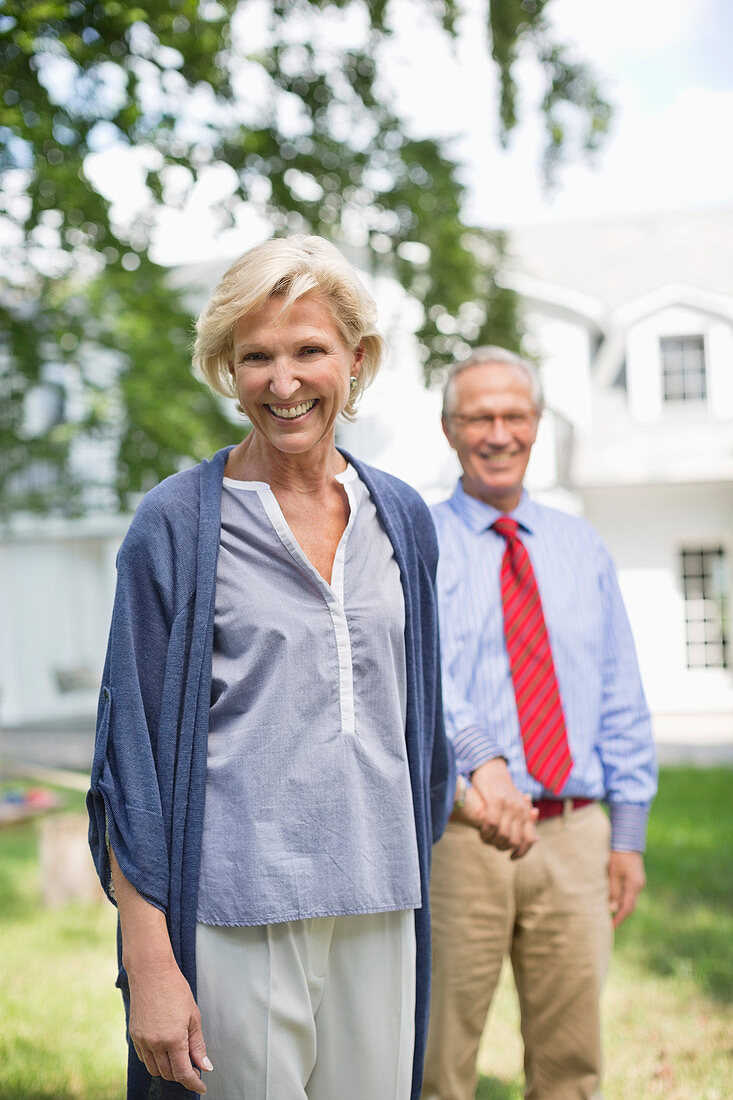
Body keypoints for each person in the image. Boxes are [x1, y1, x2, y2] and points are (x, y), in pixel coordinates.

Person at [87, 234, 493, 1100]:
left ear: (355, 358)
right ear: (225, 371)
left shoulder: (402, 518)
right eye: (255, 357)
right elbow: (131, 764)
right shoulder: (175, 526)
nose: (284, 382)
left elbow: (411, 705)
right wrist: (150, 959)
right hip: (236, 910)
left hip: (383, 899)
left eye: (309, 350)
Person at [421, 347, 658, 1100]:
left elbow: (619, 689)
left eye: (513, 415)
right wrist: (479, 761)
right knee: (434, 1061)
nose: (498, 433)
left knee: (571, 1068)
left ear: (537, 424)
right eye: (478, 417)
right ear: (449, 430)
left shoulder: (579, 545)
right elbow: (420, 676)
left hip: (574, 837)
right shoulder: (416, 543)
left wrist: (626, 834)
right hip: (461, 837)